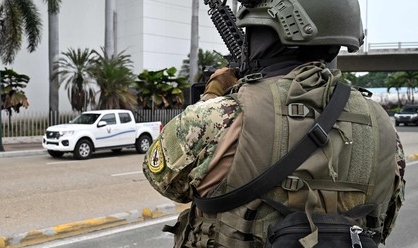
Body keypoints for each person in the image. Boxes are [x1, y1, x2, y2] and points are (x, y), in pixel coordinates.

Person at [142, 0, 406, 247]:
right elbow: (384, 220)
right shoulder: (382, 124)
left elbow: (165, 181)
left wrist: (213, 97)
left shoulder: (222, 114)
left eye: (255, 33)